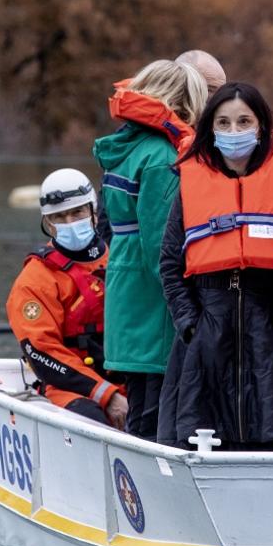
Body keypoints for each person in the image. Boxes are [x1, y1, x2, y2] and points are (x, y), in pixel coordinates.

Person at [156, 82, 273, 452]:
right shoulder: (190, 187)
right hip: (206, 335)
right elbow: (170, 263)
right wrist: (190, 323)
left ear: (261, 126)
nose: (234, 131)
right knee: (199, 442)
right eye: (223, 123)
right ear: (210, 129)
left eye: (243, 121)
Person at [92, 59, 208, 442]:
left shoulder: (126, 148)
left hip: (126, 291)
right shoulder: (161, 158)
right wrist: (192, 301)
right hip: (152, 303)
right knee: (157, 413)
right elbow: (163, 248)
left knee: (141, 402)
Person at [6, 169, 128, 428]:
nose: (70, 222)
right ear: (48, 223)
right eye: (59, 217)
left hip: (130, 379)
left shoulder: (121, 259)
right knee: (93, 421)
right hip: (70, 389)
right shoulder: (34, 280)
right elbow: (41, 352)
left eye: (77, 212)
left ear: (94, 212)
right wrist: (106, 394)